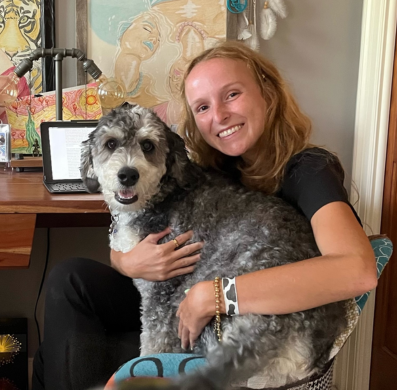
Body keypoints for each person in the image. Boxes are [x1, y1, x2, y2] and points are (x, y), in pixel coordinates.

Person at [32, 42, 377, 390]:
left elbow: (357, 270)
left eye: (232, 95)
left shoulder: (309, 170)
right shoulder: (215, 166)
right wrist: (127, 262)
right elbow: (138, 236)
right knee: (70, 280)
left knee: (67, 350)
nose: (219, 115)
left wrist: (216, 294)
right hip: (190, 299)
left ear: (267, 93)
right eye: (203, 106)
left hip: (250, 324)